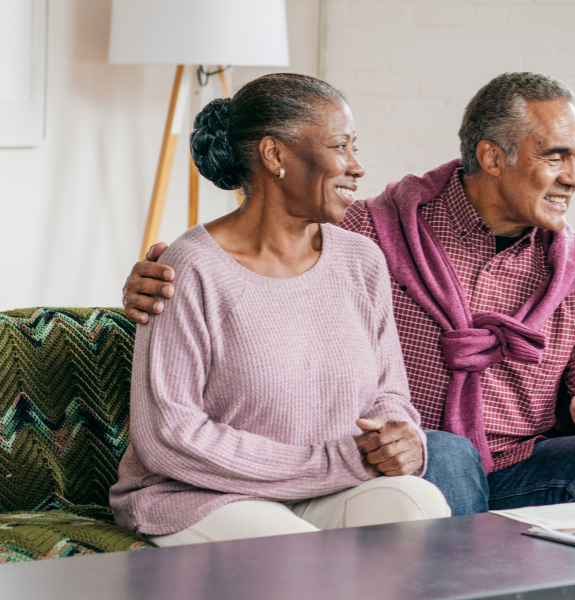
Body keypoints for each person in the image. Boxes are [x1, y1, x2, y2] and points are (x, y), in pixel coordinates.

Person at [122, 72, 575, 516]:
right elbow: (265, 252)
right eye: (555, 157)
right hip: (412, 465)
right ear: (493, 158)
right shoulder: (372, 232)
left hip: (522, 472)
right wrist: (161, 273)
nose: (573, 177)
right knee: (447, 454)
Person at [110, 73, 450, 546]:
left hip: (326, 488)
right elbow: (170, 436)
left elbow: (388, 396)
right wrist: (334, 461)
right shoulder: (188, 269)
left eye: (355, 147)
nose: (357, 166)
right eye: (340, 146)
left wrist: (399, 437)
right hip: (203, 495)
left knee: (421, 505)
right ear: (275, 155)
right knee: (294, 555)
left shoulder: (361, 260)